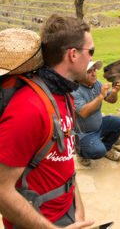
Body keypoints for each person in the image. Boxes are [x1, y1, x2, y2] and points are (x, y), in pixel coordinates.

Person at [0, 15, 95, 228]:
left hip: (67, 214)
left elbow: (64, 159)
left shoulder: (65, 95)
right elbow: (1, 191)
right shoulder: (29, 109)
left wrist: (77, 209)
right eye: (91, 52)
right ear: (72, 54)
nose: (91, 59)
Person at [72, 60, 120, 167]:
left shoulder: (96, 84)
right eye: (89, 71)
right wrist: (100, 96)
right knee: (97, 151)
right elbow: (84, 113)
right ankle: (81, 152)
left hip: (99, 125)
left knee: (119, 122)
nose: (94, 74)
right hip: (84, 134)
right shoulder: (75, 91)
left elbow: (111, 100)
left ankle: (106, 147)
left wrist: (114, 92)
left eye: (94, 70)